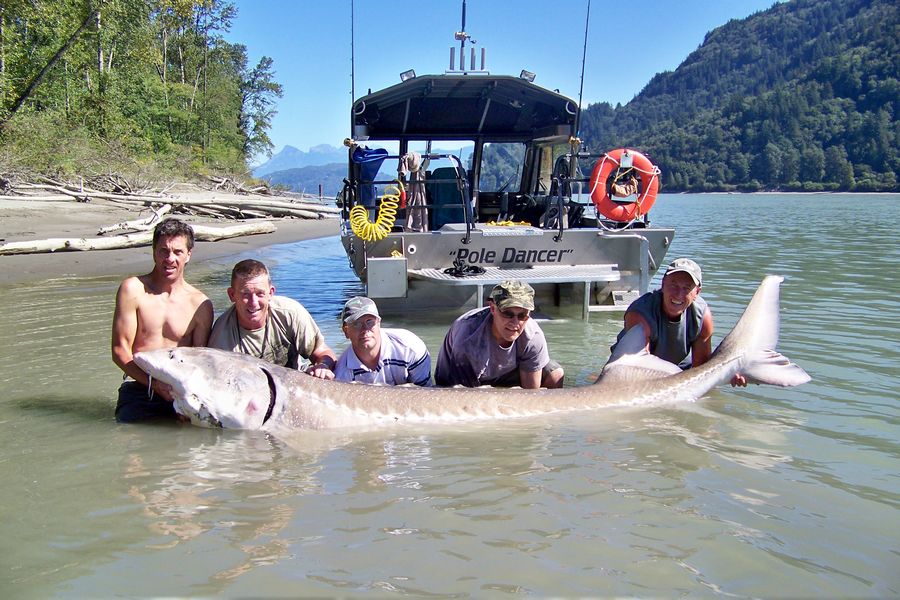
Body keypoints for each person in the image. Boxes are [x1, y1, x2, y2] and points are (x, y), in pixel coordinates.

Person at [111, 218, 214, 422]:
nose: (170, 258)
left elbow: (199, 363)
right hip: (140, 388)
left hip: (181, 393)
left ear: (188, 255)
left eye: (177, 252)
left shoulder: (200, 305)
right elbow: (120, 350)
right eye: (163, 251)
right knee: (131, 442)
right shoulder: (133, 289)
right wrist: (154, 385)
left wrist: (189, 398)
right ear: (154, 252)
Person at [610, 257, 747, 386]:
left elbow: (701, 369)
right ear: (663, 284)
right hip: (630, 367)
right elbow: (638, 367)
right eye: (673, 285)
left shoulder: (702, 316)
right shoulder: (640, 312)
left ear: (697, 293)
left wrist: (727, 375)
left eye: (686, 288)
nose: (678, 294)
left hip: (678, 367)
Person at [208, 259, 336, 378]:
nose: (253, 303)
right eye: (245, 294)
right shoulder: (221, 337)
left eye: (260, 294)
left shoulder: (290, 313)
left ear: (271, 293)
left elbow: (322, 352)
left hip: (295, 382)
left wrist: (323, 366)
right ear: (232, 295)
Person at [434, 280, 565, 389]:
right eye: (507, 314)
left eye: (522, 315)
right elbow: (463, 396)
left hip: (506, 374)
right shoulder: (468, 335)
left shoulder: (533, 336)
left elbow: (531, 395)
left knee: (555, 375)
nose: (515, 322)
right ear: (492, 308)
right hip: (457, 381)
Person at [334, 296, 432, 386]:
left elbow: (426, 394)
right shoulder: (341, 374)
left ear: (379, 323)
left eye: (370, 321)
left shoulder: (411, 349)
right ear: (346, 331)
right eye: (356, 324)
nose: (365, 329)